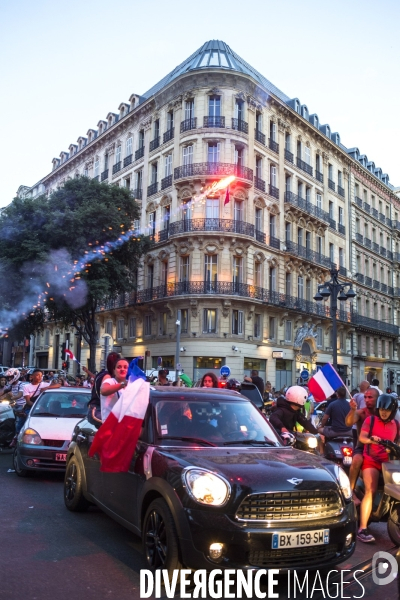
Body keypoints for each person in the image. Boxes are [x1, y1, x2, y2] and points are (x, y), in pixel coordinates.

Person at [357, 394, 399, 542]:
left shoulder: (396, 424)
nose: (384, 412)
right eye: (381, 409)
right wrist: (371, 440)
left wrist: (393, 448)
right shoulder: (371, 420)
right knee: (371, 490)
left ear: (393, 411)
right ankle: (362, 528)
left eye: (387, 410)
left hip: (388, 464)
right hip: (371, 461)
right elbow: (362, 437)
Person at [345, 386, 379, 502]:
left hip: (380, 447)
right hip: (362, 446)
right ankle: (350, 491)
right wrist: (352, 410)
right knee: (356, 460)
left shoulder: (383, 413)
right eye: (365, 397)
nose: (367, 399)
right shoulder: (362, 412)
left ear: (377, 399)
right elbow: (349, 422)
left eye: (370, 397)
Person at [100, 356, 129, 421]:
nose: (122, 369)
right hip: (110, 425)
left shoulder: (131, 385)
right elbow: (104, 390)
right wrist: (123, 384)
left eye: (125, 367)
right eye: (119, 367)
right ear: (114, 370)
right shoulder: (110, 381)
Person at [351, 381, 370, 445]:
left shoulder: (355, 395)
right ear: (368, 387)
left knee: (355, 446)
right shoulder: (363, 397)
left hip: (354, 426)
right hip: (361, 427)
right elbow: (363, 411)